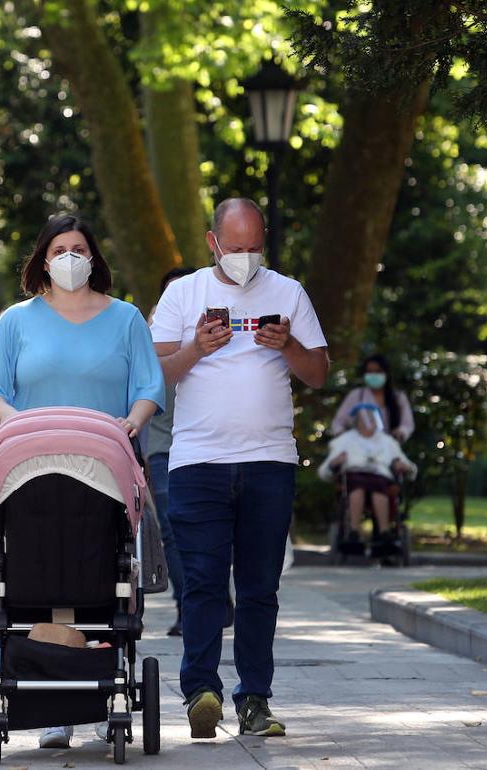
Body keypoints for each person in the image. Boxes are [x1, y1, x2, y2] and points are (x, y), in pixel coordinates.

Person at [0, 213, 163, 750]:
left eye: (79, 248)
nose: (70, 258)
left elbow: (149, 385)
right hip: (31, 469)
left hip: (104, 467)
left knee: (106, 574)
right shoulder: (17, 321)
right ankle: (50, 705)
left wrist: (134, 420)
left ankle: (104, 695)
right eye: (60, 248)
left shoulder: (126, 318)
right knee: (34, 570)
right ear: (43, 258)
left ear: (93, 257)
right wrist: (11, 420)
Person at [151, 198, 328, 739]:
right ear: (212, 243)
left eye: (255, 247)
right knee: (203, 583)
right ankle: (201, 692)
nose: (244, 258)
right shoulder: (183, 294)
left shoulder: (288, 292)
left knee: (258, 588)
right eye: (234, 248)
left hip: (269, 462)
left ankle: (255, 698)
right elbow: (154, 376)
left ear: (264, 240)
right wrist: (197, 349)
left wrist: (290, 344)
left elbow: (319, 373)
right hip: (198, 461)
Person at [143, 269, 193, 636]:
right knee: (173, 532)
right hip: (162, 448)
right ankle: (187, 606)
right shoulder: (150, 333)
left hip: (209, 445)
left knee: (213, 530)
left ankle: (212, 597)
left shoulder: (213, 326)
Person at [320, 404, 417, 544]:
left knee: (379, 487)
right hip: (354, 475)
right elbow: (325, 470)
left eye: (371, 418)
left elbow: (409, 467)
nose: (368, 422)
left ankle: (384, 531)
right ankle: (353, 530)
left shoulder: (387, 441)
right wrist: (334, 463)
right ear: (356, 421)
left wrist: (405, 467)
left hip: (380, 477)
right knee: (357, 487)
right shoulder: (344, 440)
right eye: (363, 419)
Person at [330, 354, 415, 441]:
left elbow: (407, 425)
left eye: (378, 371)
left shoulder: (398, 397)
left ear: (387, 373)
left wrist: (400, 432)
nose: (374, 375)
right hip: (358, 447)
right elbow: (338, 423)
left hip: (387, 448)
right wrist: (344, 437)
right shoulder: (356, 395)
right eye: (370, 371)